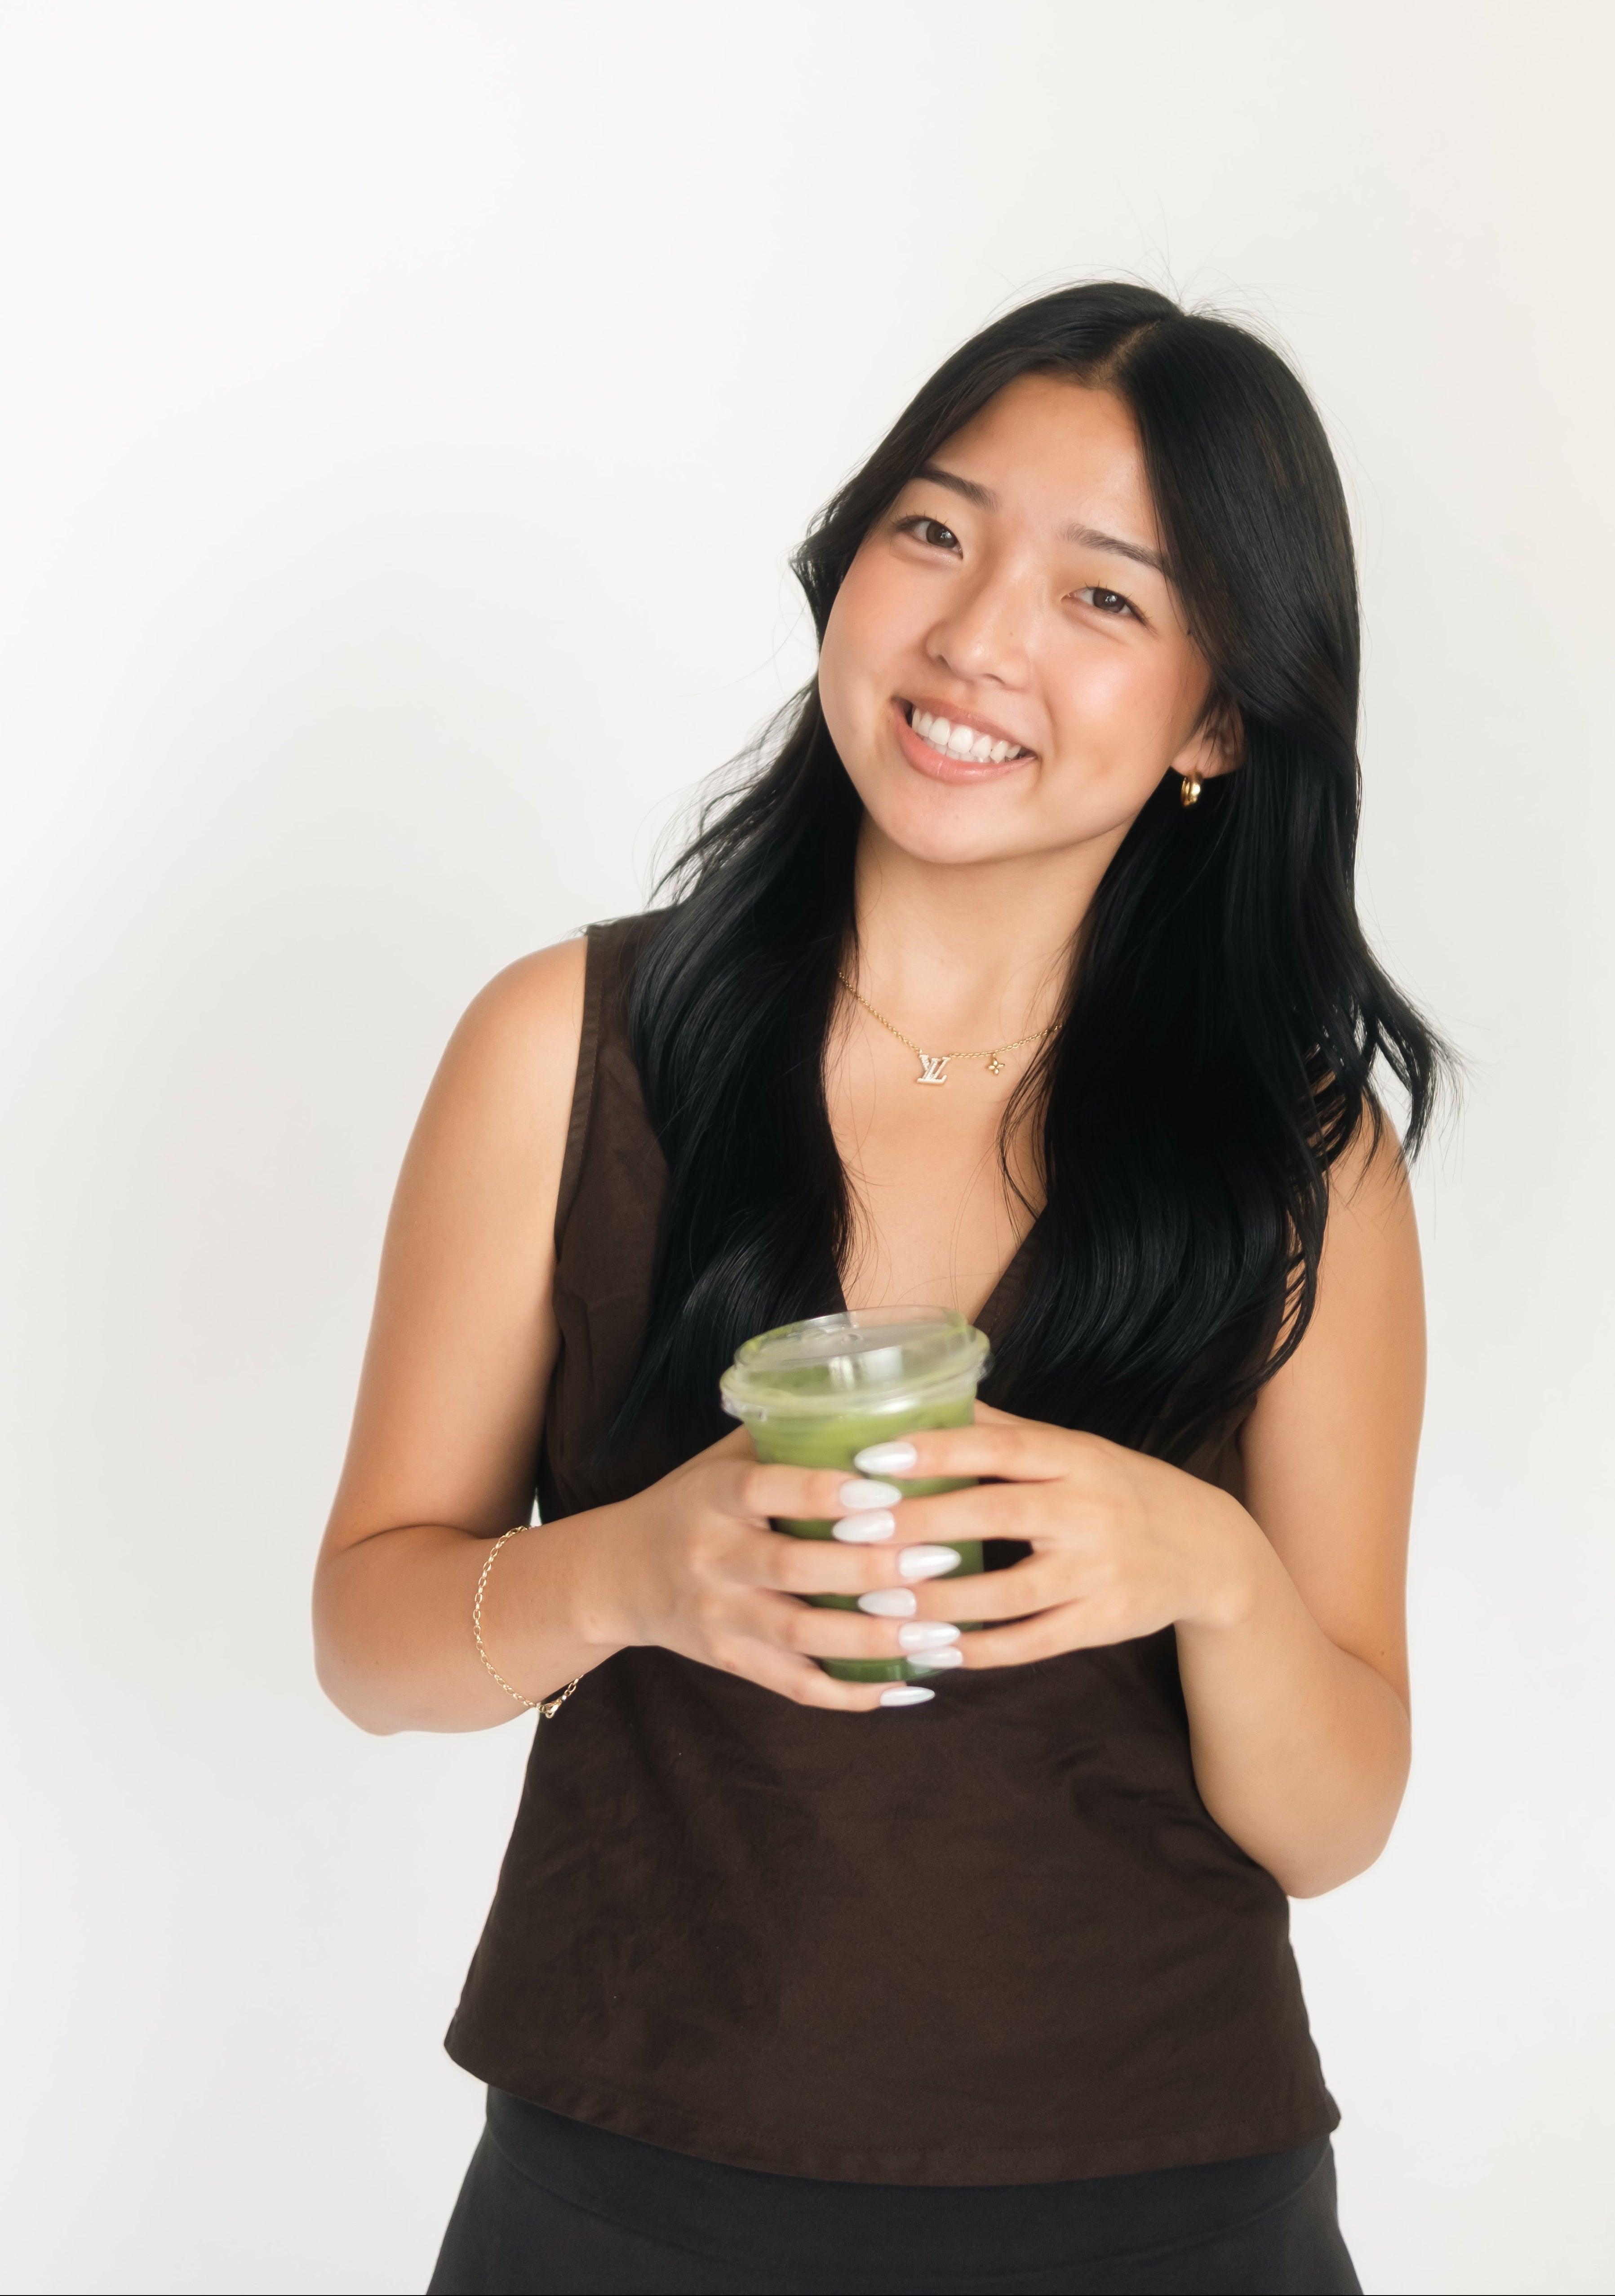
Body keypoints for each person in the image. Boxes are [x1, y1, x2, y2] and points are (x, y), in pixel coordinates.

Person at [314, 280, 1443, 2295]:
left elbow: (1334, 1813)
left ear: (1213, 717)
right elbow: (372, 1636)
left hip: (1169, 2205)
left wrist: (1204, 1567)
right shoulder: (565, 1049)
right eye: (935, 529)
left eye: (1106, 597)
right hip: (629, 2185)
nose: (975, 637)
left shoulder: (1299, 1165)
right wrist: (641, 1572)